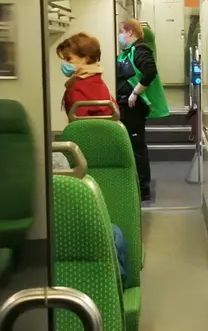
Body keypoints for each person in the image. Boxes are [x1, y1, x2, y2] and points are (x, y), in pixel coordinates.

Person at [116, 20, 169, 202]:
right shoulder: (127, 52)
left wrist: (134, 93)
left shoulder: (140, 50)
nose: (120, 36)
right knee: (131, 145)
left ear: (130, 32)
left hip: (133, 107)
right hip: (124, 106)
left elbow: (150, 71)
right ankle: (134, 184)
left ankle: (142, 188)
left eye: (121, 32)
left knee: (137, 147)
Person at [57, 32, 117, 119]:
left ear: (86, 58)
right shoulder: (97, 81)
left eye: (69, 58)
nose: (65, 63)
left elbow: (79, 126)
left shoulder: (78, 88)